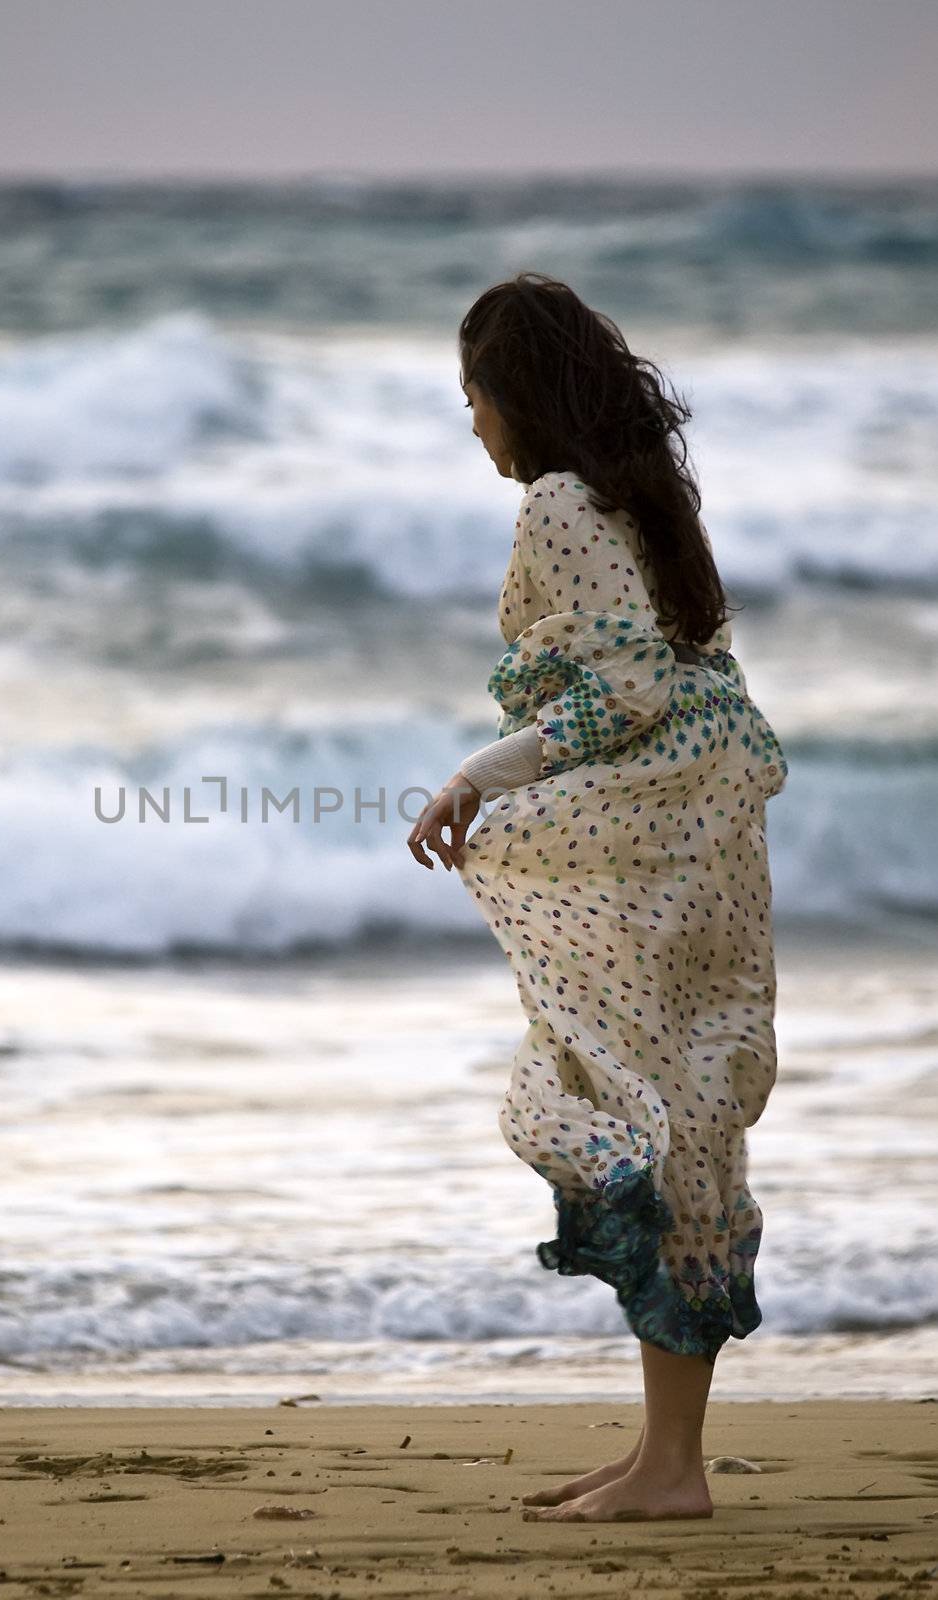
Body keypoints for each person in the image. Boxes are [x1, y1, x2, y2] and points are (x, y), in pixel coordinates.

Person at [407, 272, 789, 1523]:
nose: (470, 423)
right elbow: (683, 672)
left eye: (472, 395)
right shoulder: (643, 495)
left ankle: (671, 1472)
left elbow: (619, 693)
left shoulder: (563, 503)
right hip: (700, 837)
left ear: (515, 395)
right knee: (680, 1110)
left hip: (654, 842)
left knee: (638, 1110)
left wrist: (476, 774)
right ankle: (661, 1457)